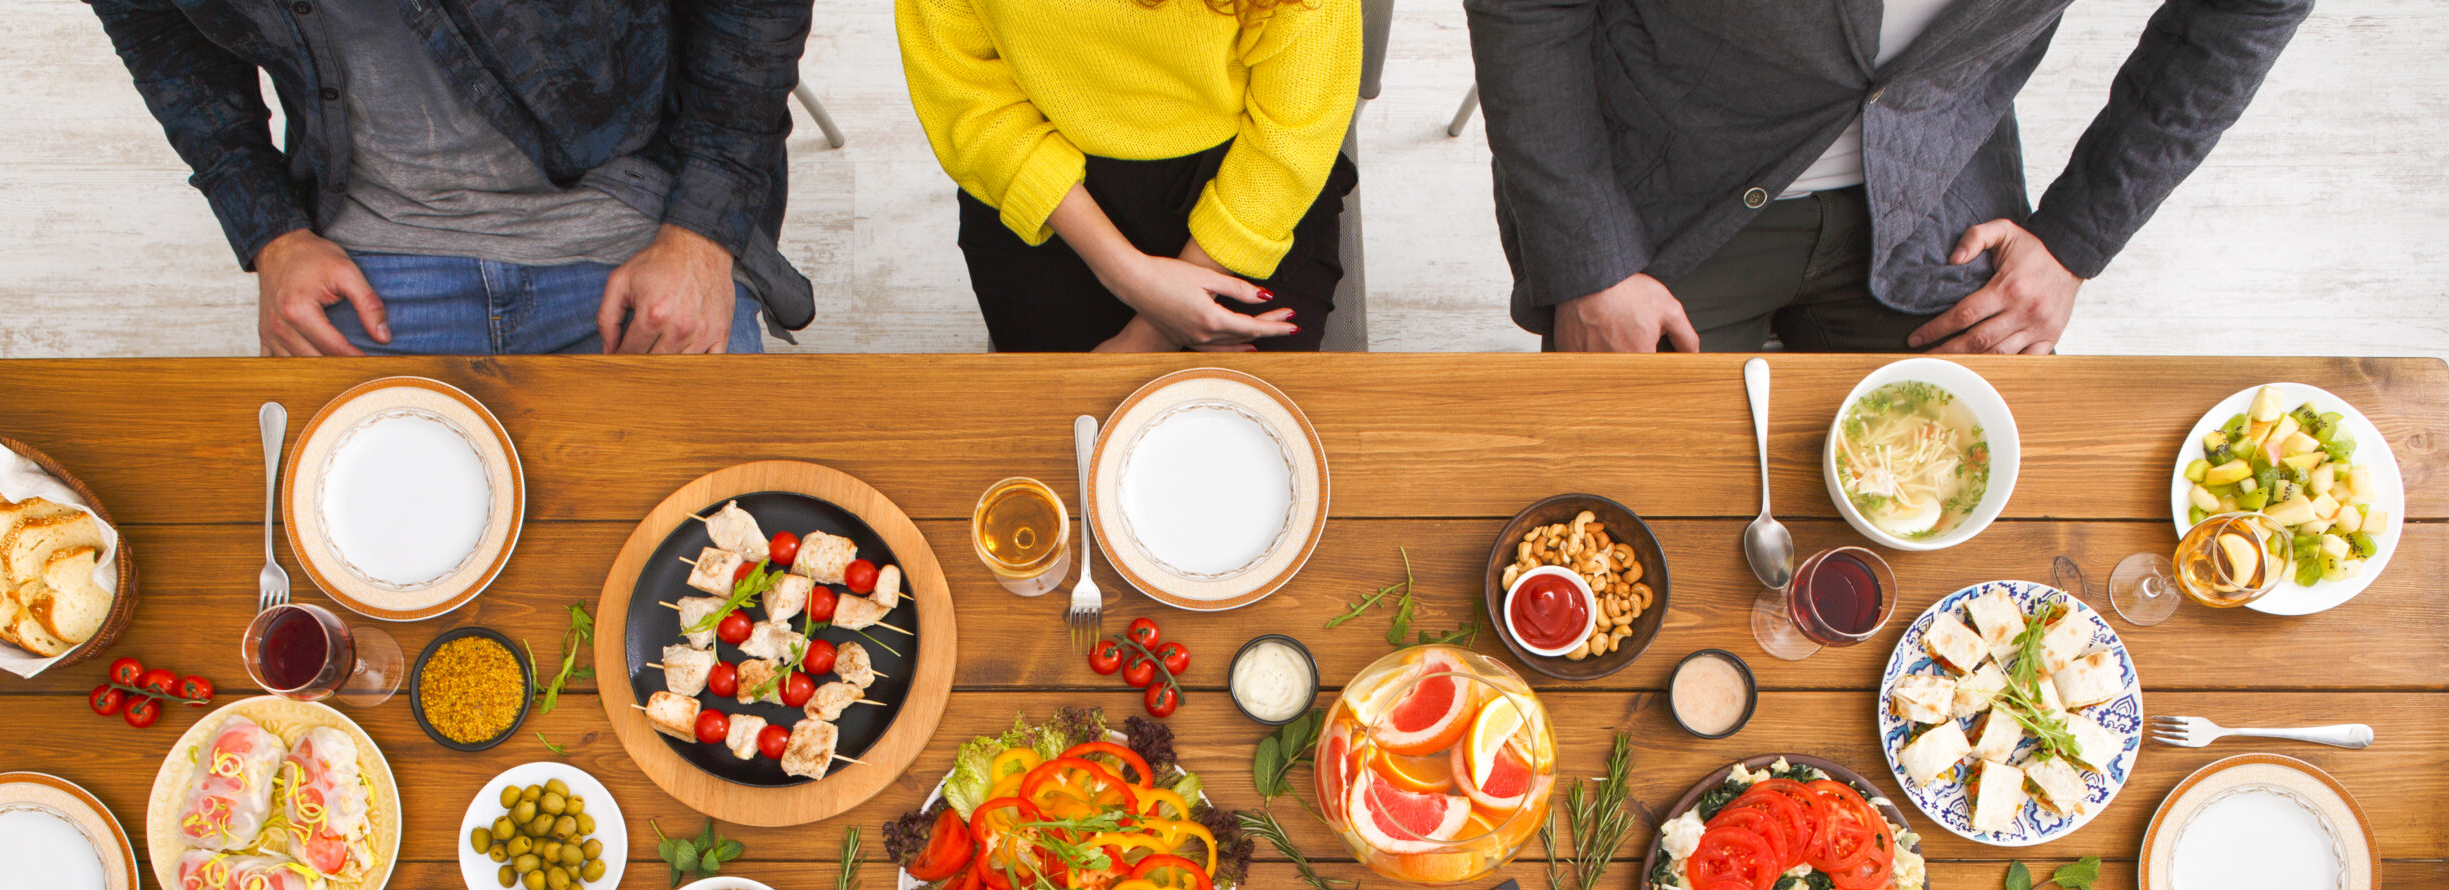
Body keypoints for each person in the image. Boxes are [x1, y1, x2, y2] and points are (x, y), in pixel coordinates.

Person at [1462, 0, 2312, 354]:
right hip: (1662, 189)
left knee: (1950, 529)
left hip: (1938, 189)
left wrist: (2076, 239)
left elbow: (2249, 10)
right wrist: (1589, 260)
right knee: (1625, 507)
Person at [85, 0, 816, 357]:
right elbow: (172, 56)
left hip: (630, 212)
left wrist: (700, 236)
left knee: (714, 578)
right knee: (350, 596)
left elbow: (752, 16)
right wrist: (273, 235)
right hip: (371, 252)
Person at [895, 0, 1362, 353]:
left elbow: (1296, 129)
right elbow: (963, 90)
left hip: (1247, 184)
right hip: (1050, 188)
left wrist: (1147, 335)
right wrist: (1128, 275)